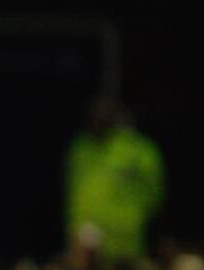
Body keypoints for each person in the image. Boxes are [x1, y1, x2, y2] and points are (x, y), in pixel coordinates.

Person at [65, 95, 165, 261]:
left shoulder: (136, 150)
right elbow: (73, 192)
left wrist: (132, 218)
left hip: (124, 240)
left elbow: (155, 194)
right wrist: (75, 226)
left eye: (105, 113)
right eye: (94, 113)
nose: (98, 117)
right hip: (85, 237)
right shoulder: (80, 148)